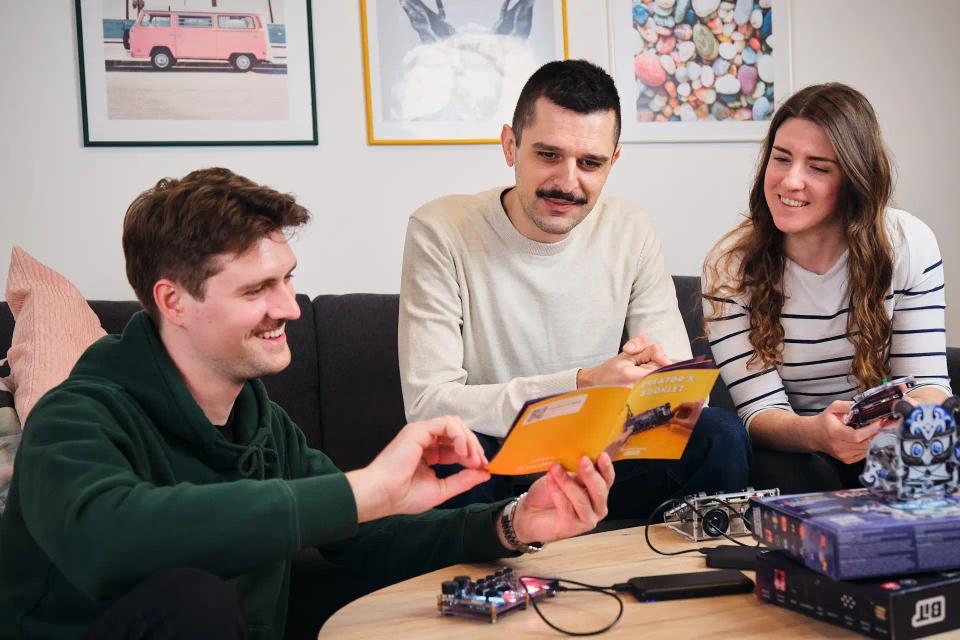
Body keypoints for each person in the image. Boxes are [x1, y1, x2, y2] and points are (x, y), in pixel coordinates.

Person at [0, 168, 615, 640]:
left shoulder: (261, 421)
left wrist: (511, 523)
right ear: (174, 301)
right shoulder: (75, 417)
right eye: (257, 289)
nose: (290, 307)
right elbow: (111, 536)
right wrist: (359, 491)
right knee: (193, 597)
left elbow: (368, 537)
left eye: (287, 277)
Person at [398, 59, 750, 520]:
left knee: (719, 435)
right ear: (510, 145)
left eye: (590, 163)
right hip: (497, 460)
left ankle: (694, 582)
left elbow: (685, 396)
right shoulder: (441, 230)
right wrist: (583, 384)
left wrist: (656, 383)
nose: (568, 182)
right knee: (443, 457)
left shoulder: (632, 230)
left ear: (613, 161)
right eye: (548, 155)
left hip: (606, 457)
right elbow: (428, 404)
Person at [701, 83, 951, 493]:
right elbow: (760, 413)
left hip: (887, 436)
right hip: (795, 444)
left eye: (818, 167)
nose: (790, 182)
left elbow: (926, 381)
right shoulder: (728, 267)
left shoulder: (909, 243)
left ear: (854, 179)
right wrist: (819, 434)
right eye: (781, 159)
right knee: (798, 475)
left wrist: (910, 415)